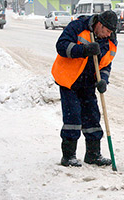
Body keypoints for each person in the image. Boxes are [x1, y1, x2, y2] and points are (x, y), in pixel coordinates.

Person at [51, 10, 118, 167]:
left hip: (88, 83)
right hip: (69, 80)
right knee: (72, 117)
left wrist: (103, 81)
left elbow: (106, 64)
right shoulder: (78, 26)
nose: (108, 35)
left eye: (111, 32)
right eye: (106, 31)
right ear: (99, 25)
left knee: (92, 118)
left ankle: (93, 155)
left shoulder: (110, 40)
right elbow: (61, 46)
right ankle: (68, 156)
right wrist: (84, 50)